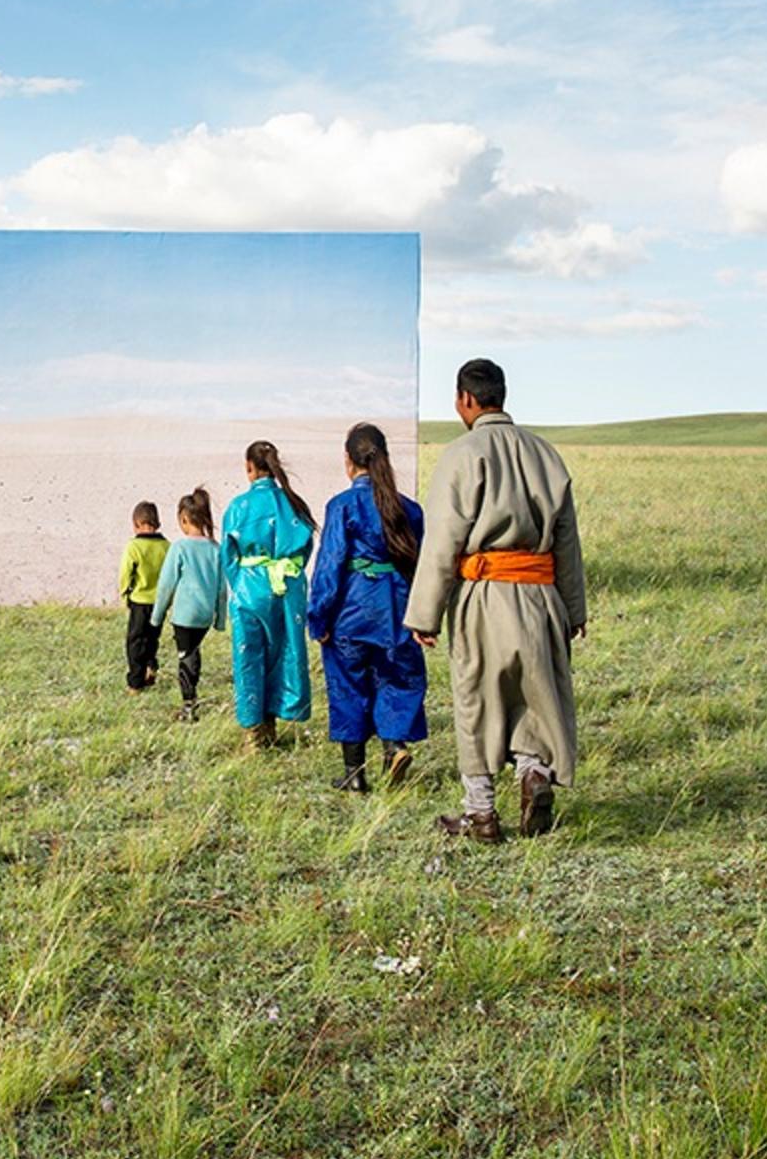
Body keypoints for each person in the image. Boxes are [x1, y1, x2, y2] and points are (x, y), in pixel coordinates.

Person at [405, 359, 587, 842]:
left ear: (465, 399)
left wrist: (425, 613)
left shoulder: (462, 454)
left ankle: (481, 814)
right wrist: (573, 609)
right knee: (533, 693)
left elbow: (443, 539)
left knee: (478, 700)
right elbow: (567, 539)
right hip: (542, 595)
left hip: (484, 597)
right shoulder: (545, 454)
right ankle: (533, 774)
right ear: (502, 396)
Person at [308, 423, 427, 794]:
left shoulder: (342, 506)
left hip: (352, 611)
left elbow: (329, 565)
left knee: (348, 685)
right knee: (395, 678)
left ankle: (354, 774)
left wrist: (319, 618)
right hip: (397, 607)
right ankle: (393, 747)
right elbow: (421, 565)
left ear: (348, 460)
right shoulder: (409, 509)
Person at [221, 441, 316, 746]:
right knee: (283, 651)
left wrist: (243, 583)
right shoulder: (294, 504)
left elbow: (228, 555)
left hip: (250, 589)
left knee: (249, 655)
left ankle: (254, 732)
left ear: (249, 468)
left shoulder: (238, 507)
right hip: (287, 589)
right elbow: (306, 548)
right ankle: (273, 722)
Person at [150, 487, 227, 721]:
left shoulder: (180, 548)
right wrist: (220, 619)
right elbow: (222, 589)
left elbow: (166, 585)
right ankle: (191, 698)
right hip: (204, 615)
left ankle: (188, 705)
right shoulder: (216, 549)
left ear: (184, 519)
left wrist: (157, 616)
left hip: (184, 614)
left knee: (185, 655)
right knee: (193, 651)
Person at [117, 500, 170, 693]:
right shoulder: (166, 546)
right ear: (157, 523)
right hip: (160, 601)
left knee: (135, 641)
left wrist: (125, 592)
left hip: (140, 600)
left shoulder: (134, 547)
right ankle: (151, 666)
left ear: (136, 524)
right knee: (152, 637)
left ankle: (135, 682)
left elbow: (125, 573)